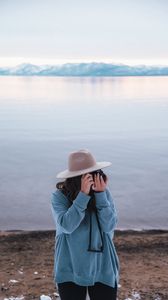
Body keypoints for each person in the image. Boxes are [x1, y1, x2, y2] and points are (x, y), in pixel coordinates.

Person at [50, 149, 120, 300]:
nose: (95, 177)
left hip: (102, 263)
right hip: (70, 263)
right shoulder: (59, 197)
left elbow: (109, 226)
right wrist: (83, 195)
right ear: (77, 178)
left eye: (96, 172)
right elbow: (67, 226)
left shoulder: (103, 193)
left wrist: (100, 195)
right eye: (90, 174)